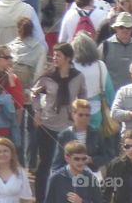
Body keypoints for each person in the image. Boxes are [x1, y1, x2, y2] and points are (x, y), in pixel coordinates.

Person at [31, 42, 87, 200]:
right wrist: (37, 111)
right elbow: (34, 94)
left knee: (66, 165)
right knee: (45, 163)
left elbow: (83, 95)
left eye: (58, 55)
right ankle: (42, 197)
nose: (54, 58)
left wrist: (78, 113)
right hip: (48, 125)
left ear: (68, 58)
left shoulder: (77, 76)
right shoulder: (47, 76)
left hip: (68, 126)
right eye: (54, 55)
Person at [51, 99, 109, 172]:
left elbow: (105, 157)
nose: (84, 118)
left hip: (92, 171)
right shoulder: (64, 135)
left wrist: (91, 160)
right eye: (80, 115)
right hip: (70, 174)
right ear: (73, 115)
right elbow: (57, 163)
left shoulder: (96, 133)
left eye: (87, 115)